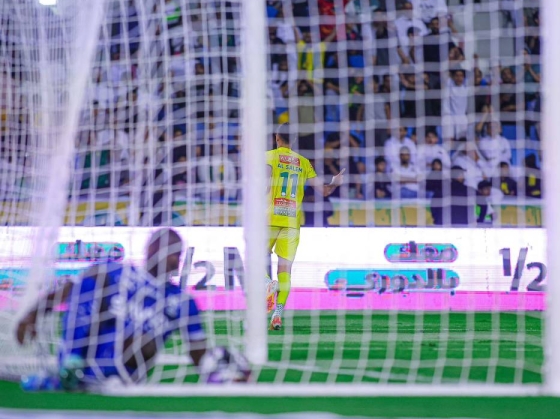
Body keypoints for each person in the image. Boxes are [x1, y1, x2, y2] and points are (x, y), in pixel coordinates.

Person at [15, 228, 250, 390]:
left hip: (126, 370)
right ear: (150, 250)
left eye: (177, 254)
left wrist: (218, 370)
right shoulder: (116, 273)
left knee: (141, 341)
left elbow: (196, 351)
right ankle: (71, 366)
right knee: (88, 282)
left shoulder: (182, 301)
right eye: (169, 252)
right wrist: (32, 314)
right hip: (88, 351)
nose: (174, 260)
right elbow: (68, 289)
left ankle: (84, 378)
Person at [266, 124, 344, 330]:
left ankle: (267, 284)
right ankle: (278, 314)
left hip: (268, 217)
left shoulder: (268, 157)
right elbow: (324, 192)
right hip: (291, 222)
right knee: (285, 269)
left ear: (276, 138)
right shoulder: (303, 163)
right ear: (292, 141)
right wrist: (335, 182)